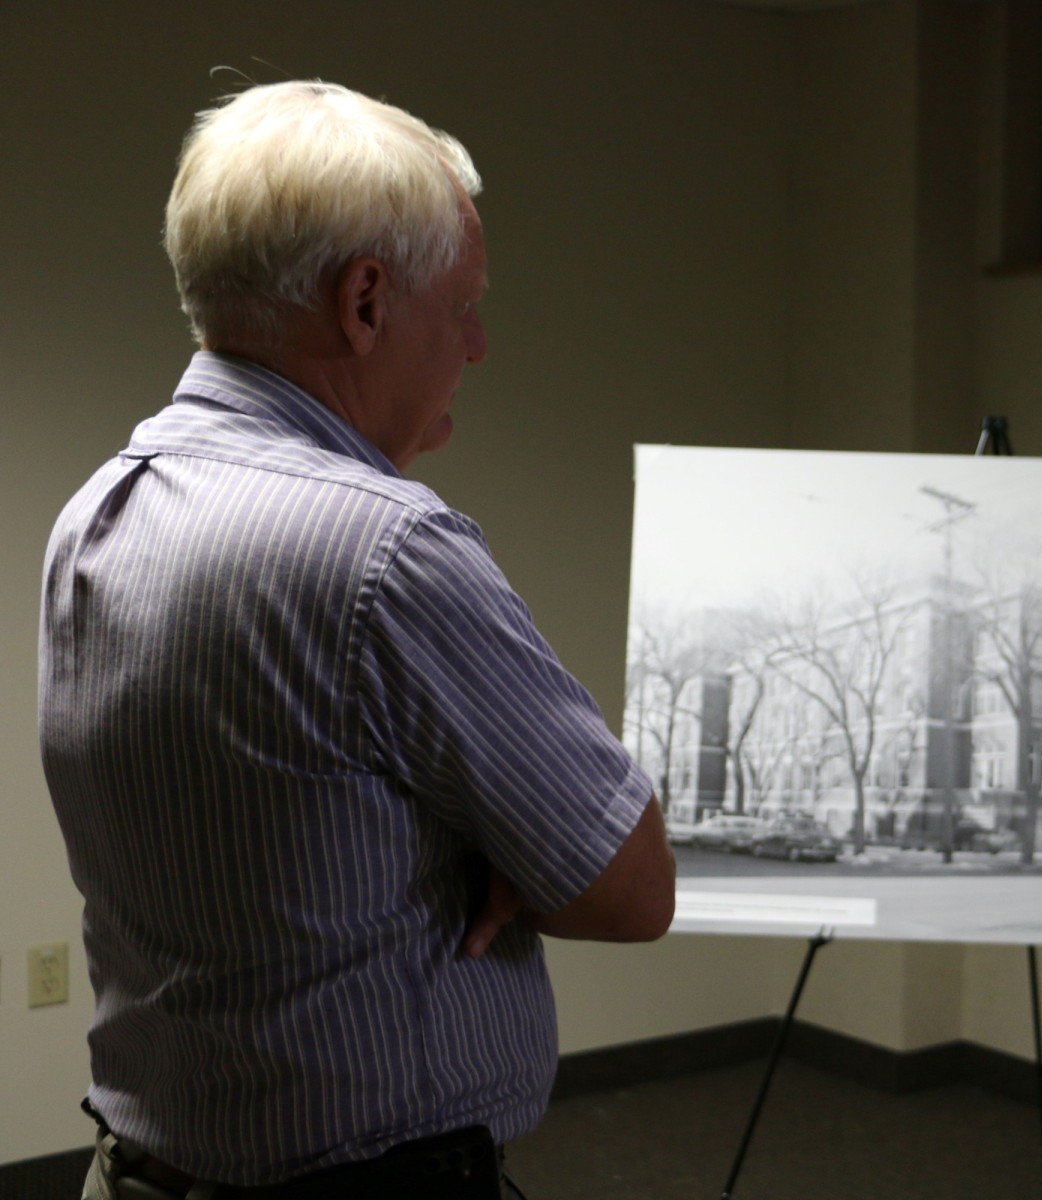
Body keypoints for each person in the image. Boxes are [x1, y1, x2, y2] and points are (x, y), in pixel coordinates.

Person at [39, 81, 675, 1199]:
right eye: (463, 303)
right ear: (366, 302)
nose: (477, 343)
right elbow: (630, 889)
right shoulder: (389, 551)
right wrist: (506, 846)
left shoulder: (97, 511)